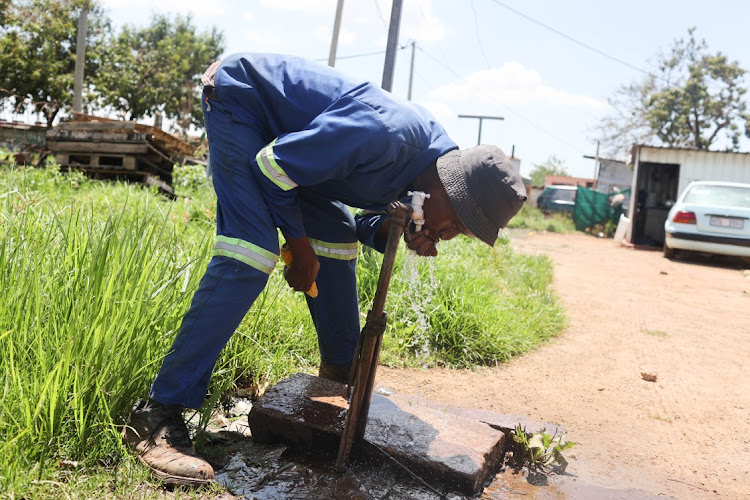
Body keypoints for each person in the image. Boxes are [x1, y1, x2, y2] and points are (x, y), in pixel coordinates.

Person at [122, 53, 527, 485]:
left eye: (464, 232)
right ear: (451, 184)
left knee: (336, 238)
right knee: (251, 251)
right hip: (244, 102)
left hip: (295, 151)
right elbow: (272, 168)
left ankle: (337, 382)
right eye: (460, 222)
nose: (450, 233)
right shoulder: (384, 137)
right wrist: (299, 248)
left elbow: (361, 219)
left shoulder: (425, 179)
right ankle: (156, 415)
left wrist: (397, 231)